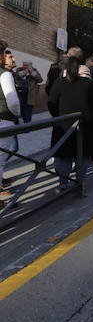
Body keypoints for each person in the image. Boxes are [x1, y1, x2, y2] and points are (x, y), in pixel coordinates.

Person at [48, 56, 93, 190]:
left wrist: (58, 116)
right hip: (85, 126)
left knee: (63, 157)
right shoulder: (90, 84)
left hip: (63, 126)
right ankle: (79, 183)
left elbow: (51, 103)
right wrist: (90, 115)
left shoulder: (59, 82)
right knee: (82, 156)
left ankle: (63, 183)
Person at [0, 45, 20, 203]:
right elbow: (12, 101)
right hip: (3, 121)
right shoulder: (5, 74)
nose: (13, 58)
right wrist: (17, 113)